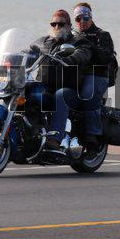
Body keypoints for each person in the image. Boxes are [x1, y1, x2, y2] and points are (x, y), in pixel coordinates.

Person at [31, 9, 91, 150]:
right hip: (46, 89)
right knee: (27, 90)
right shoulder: (44, 42)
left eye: (61, 24)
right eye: (54, 24)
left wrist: (70, 59)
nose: (57, 27)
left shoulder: (78, 42)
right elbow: (29, 51)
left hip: (70, 91)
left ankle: (55, 139)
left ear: (69, 25)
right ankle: (27, 133)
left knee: (61, 94)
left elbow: (83, 54)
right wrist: (12, 61)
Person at [73, 2, 115, 157]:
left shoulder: (102, 35)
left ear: (90, 17)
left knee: (87, 95)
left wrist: (89, 47)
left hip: (97, 75)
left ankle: (92, 137)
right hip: (76, 76)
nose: (82, 21)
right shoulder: (72, 36)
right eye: (78, 19)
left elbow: (106, 57)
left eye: (85, 17)